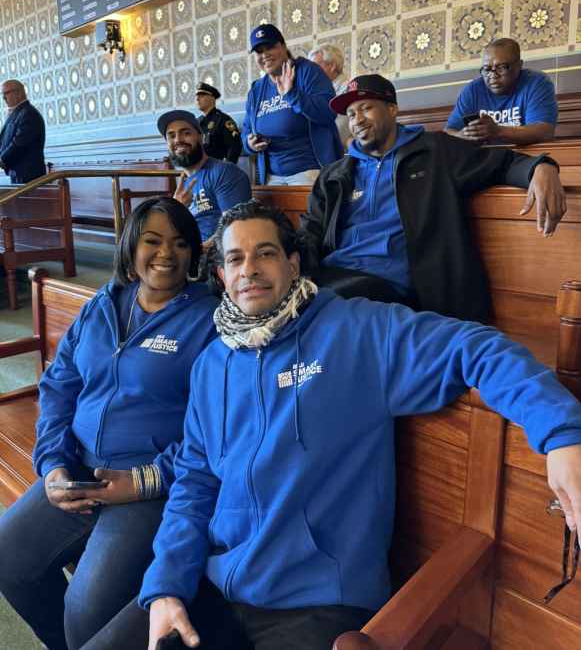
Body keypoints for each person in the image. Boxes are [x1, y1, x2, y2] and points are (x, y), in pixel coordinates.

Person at [77, 201, 581, 650]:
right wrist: (167, 587)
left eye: (265, 253)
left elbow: (477, 348)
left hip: (319, 602)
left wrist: (561, 433)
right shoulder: (212, 364)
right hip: (217, 584)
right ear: (222, 276)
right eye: (234, 259)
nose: (249, 270)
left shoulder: (357, 330)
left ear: (293, 263)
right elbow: (193, 484)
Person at [0, 197, 219, 650]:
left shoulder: (208, 321)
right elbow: (60, 385)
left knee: (87, 611)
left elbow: (212, 432)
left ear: (194, 253)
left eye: (180, 243)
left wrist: (143, 481)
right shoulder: (103, 303)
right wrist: (54, 464)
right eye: (152, 241)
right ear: (130, 246)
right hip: (77, 467)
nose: (166, 253)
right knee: (7, 560)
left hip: (150, 484)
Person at [301, 73, 567, 322]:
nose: (357, 120)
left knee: (327, 315)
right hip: (334, 276)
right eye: (350, 113)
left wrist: (541, 167)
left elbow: (502, 163)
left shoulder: (435, 150)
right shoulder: (335, 175)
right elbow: (310, 232)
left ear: (392, 109)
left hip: (392, 286)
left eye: (366, 108)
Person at [241, 24, 343, 186]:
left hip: (310, 171)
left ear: (283, 46)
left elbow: (328, 112)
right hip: (271, 176)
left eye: (270, 47)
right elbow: (246, 130)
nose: (265, 54)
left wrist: (292, 95)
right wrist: (250, 144)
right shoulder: (256, 89)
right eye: (259, 51)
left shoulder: (308, 71)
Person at [158, 109, 251, 243]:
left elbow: (234, 229)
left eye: (186, 133)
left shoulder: (224, 172)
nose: (178, 139)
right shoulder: (183, 184)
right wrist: (177, 209)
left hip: (215, 257)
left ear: (201, 137)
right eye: (171, 136)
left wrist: (197, 252)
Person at [445, 38, 557, 146]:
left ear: (519, 65)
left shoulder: (537, 83)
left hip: (524, 155)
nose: (493, 75)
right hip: (486, 156)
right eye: (487, 69)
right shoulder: (473, 90)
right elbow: (448, 131)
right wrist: (463, 135)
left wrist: (498, 131)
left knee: (544, 166)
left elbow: (544, 132)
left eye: (501, 67)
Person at [0, 78, 46, 184]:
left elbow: (19, 142)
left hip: (28, 175)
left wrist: (2, 159)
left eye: (6, 93)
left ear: (19, 93)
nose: (3, 98)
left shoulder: (29, 114)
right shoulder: (18, 113)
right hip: (18, 173)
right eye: (2, 94)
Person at [308, 43, 351, 149]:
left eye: (315, 67)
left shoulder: (349, 90)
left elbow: (340, 131)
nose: (310, 73)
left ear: (332, 66)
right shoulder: (315, 92)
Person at [195, 82, 242, 164]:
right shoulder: (197, 122)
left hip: (217, 169)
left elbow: (234, 146)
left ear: (212, 98)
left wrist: (227, 168)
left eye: (202, 96)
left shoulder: (224, 120)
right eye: (197, 96)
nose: (197, 99)